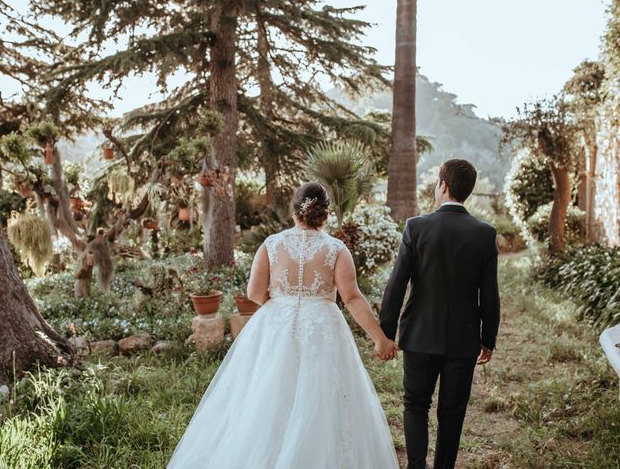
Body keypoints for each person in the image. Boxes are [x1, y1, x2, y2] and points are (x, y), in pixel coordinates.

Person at [167, 181, 400, 468]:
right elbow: (351, 297)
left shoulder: (272, 245)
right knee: (322, 396)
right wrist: (380, 338)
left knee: (266, 393)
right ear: (324, 215)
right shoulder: (336, 249)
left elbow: (254, 293)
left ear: (294, 212)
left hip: (277, 322)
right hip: (322, 326)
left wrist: (282, 305)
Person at [380, 158, 501, 469]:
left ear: (443, 186)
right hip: (463, 341)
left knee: (415, 406)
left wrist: (386, 333)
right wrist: (488, 339)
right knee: (452, 412)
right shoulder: (484, 234)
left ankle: (416, 466)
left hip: (419, 335)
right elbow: (489, 294)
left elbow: (396, 285)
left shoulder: (416, 227)